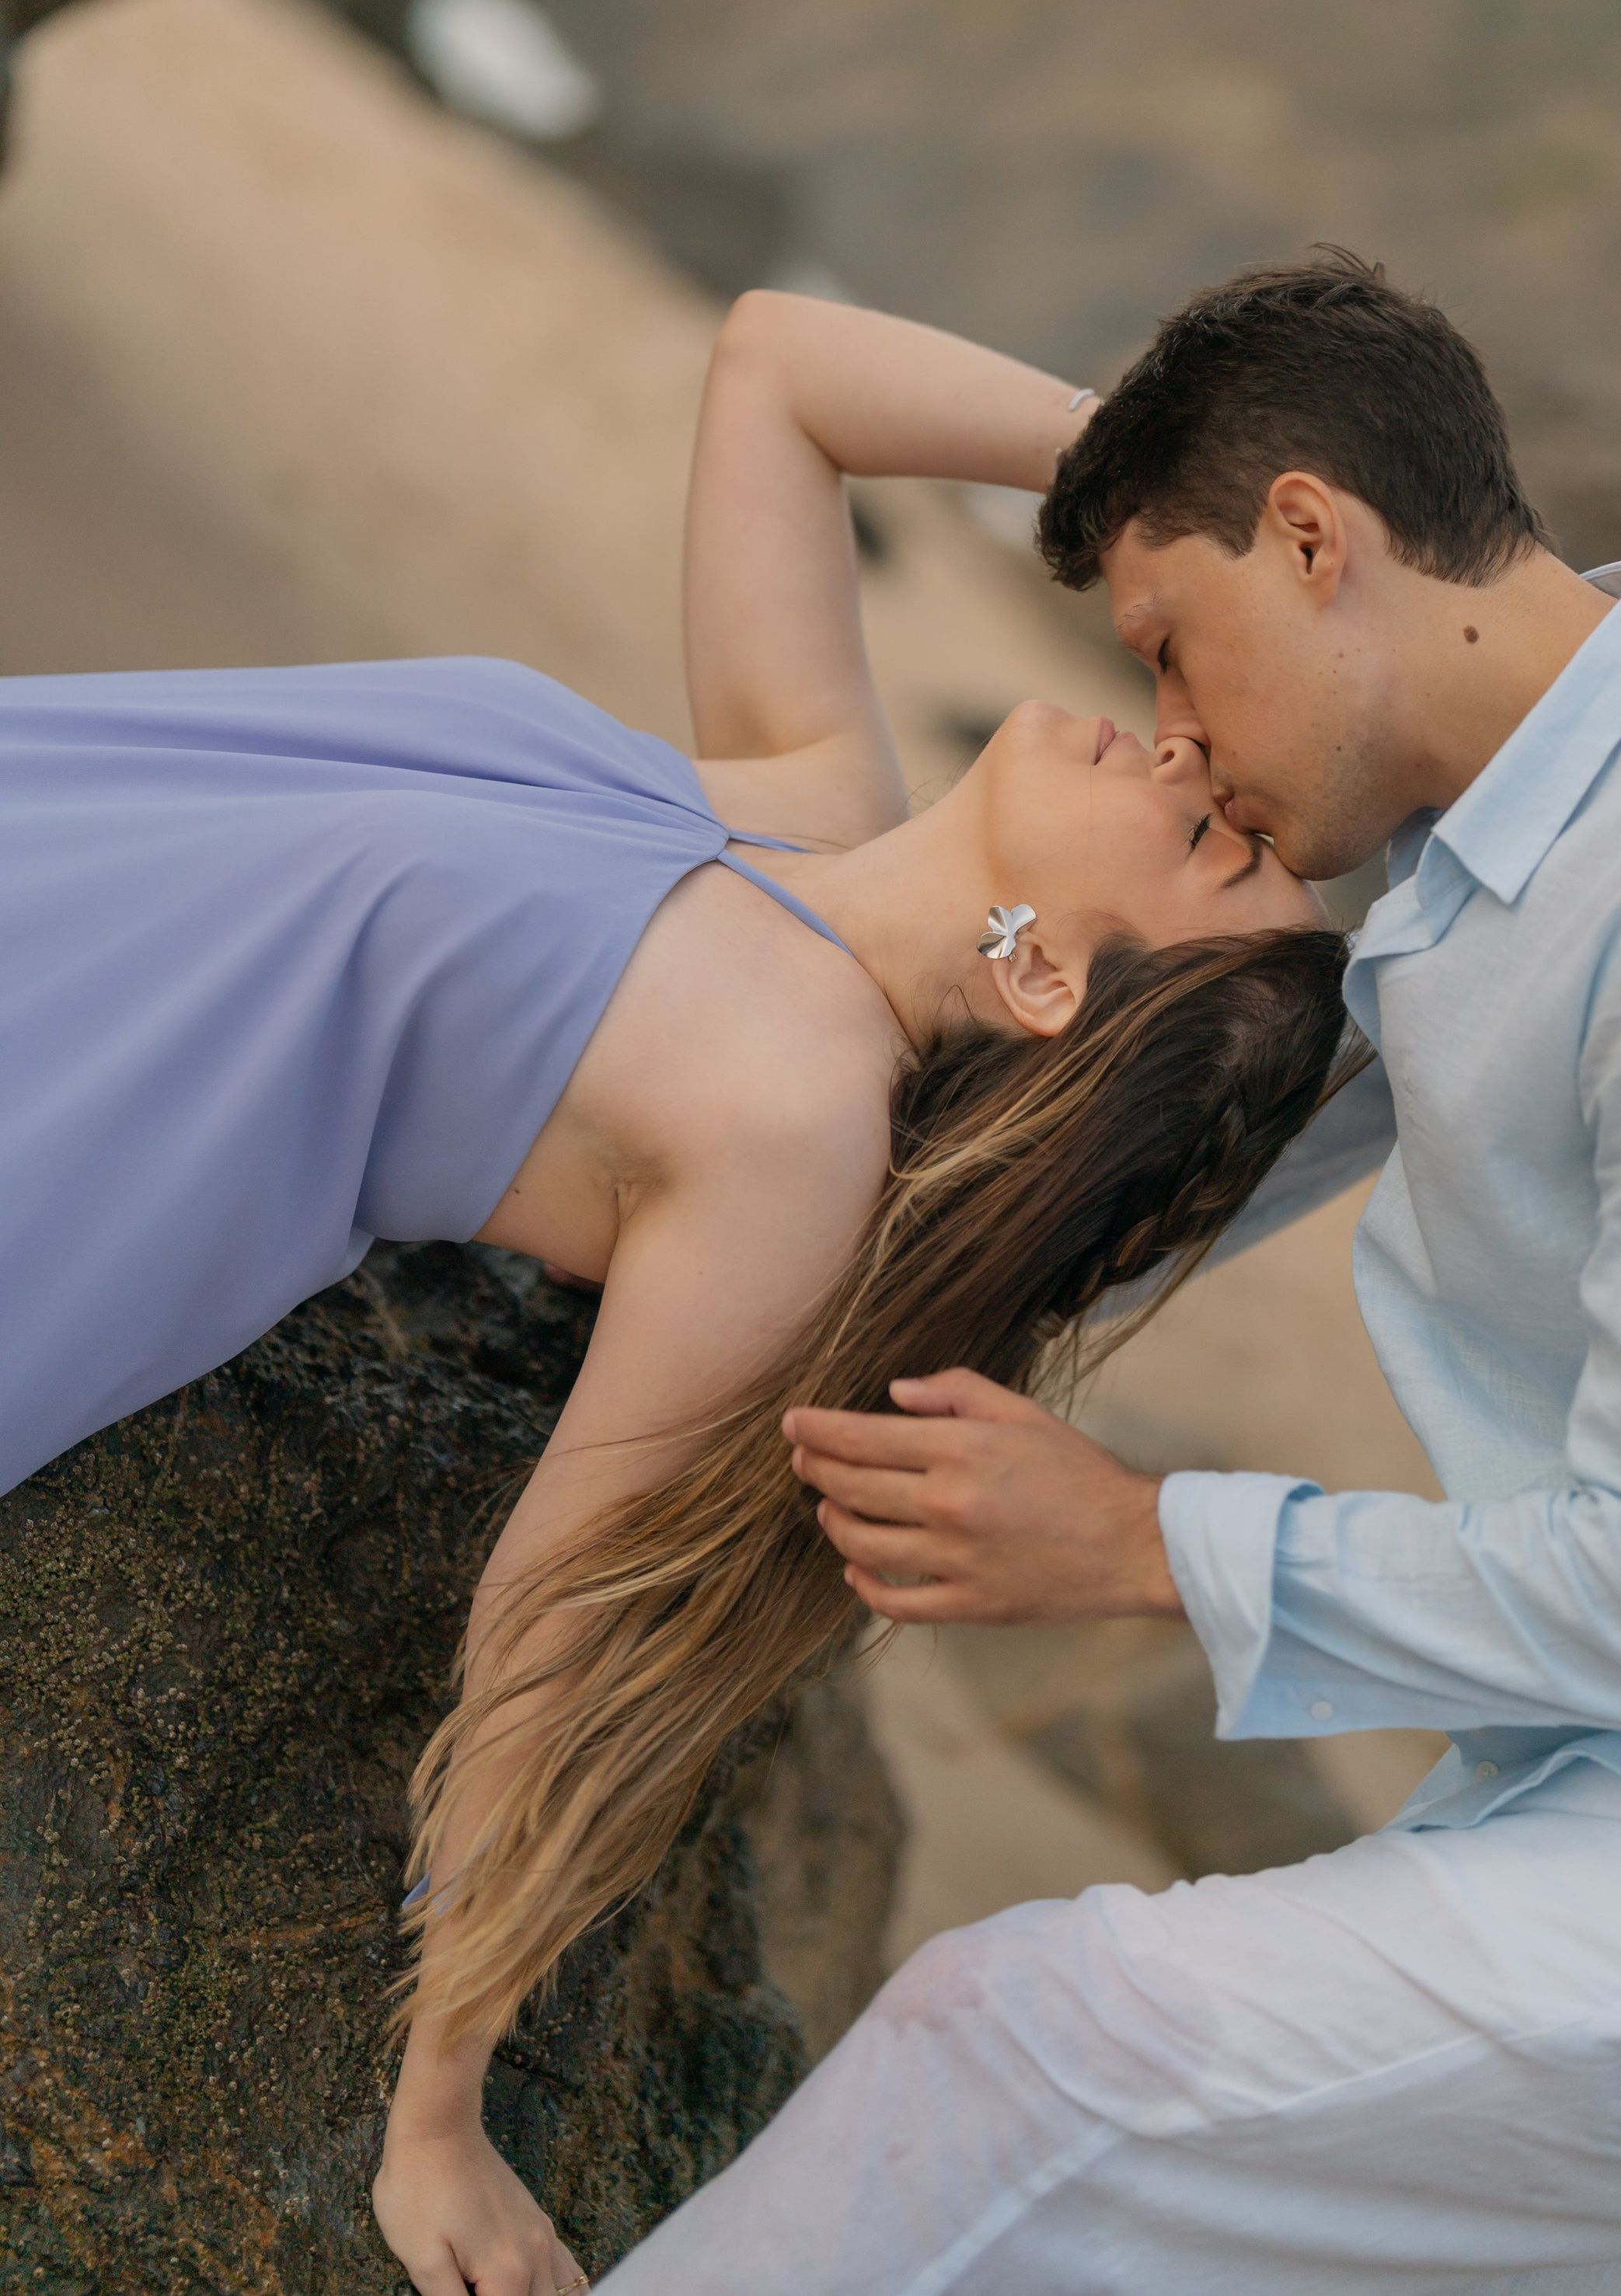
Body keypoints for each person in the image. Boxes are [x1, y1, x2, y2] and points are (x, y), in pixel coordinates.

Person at [605, 250, 1621, 2296]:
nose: (1171, 739)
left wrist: (1148, 1542)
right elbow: (1147, 1150)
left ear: (1317, 538)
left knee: (1031, 2045)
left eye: (1172, 645)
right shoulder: (1480, 842)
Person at [0, 287, 1358, 2296]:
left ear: (1058, 982)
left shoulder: (790, 1126)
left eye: (1218, 837)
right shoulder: (794, 809)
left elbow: (563, 1621)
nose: (1181, 741)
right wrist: (1195, 504)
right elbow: (781, 365)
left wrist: (438, 2104)